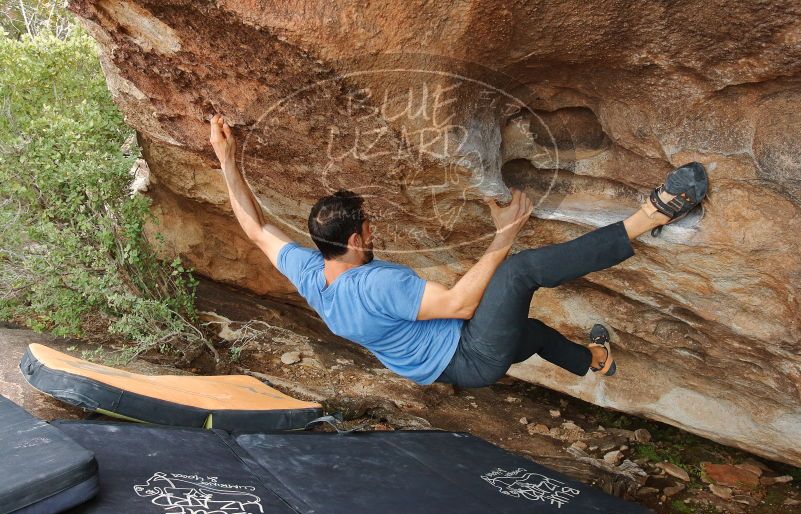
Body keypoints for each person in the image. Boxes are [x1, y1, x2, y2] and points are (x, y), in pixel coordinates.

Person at [209, 114, 708, 388]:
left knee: (528, 332)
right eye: (368, 223)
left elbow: (255, 228)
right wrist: (503, 234)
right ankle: (656, 215)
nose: (373, 225)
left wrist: (227, 160)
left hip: (453, 360)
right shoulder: (377, 283)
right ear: (357, 241)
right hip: (468, 354)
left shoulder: (312, 273)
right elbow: (461, 305)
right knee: (518, 273)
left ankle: (598, 360)